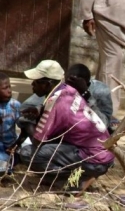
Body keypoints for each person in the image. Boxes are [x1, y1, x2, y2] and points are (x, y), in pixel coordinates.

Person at [19, 63, 115, 196]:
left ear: (47, 84)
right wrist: (39, 110)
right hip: (102, 155)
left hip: (94, 159)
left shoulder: (56, 103)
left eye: (36, 82)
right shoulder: (69, 90)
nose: (32, 85)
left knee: (27, 153)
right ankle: (78, 175)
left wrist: (27, 124)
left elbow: (37, 142)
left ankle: (75, 180)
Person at [80, 0, 125, 115]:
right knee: (112, 60)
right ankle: (108, 111)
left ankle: (100, 106)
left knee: (109, 61)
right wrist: (87, 14)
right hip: (107, 14)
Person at [0, 72, 21, 168]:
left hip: (10, 146)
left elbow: (24, 129)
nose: (9, 91)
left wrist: (16, 145)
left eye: (9, 87)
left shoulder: (15, 105)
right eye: (5, 88)